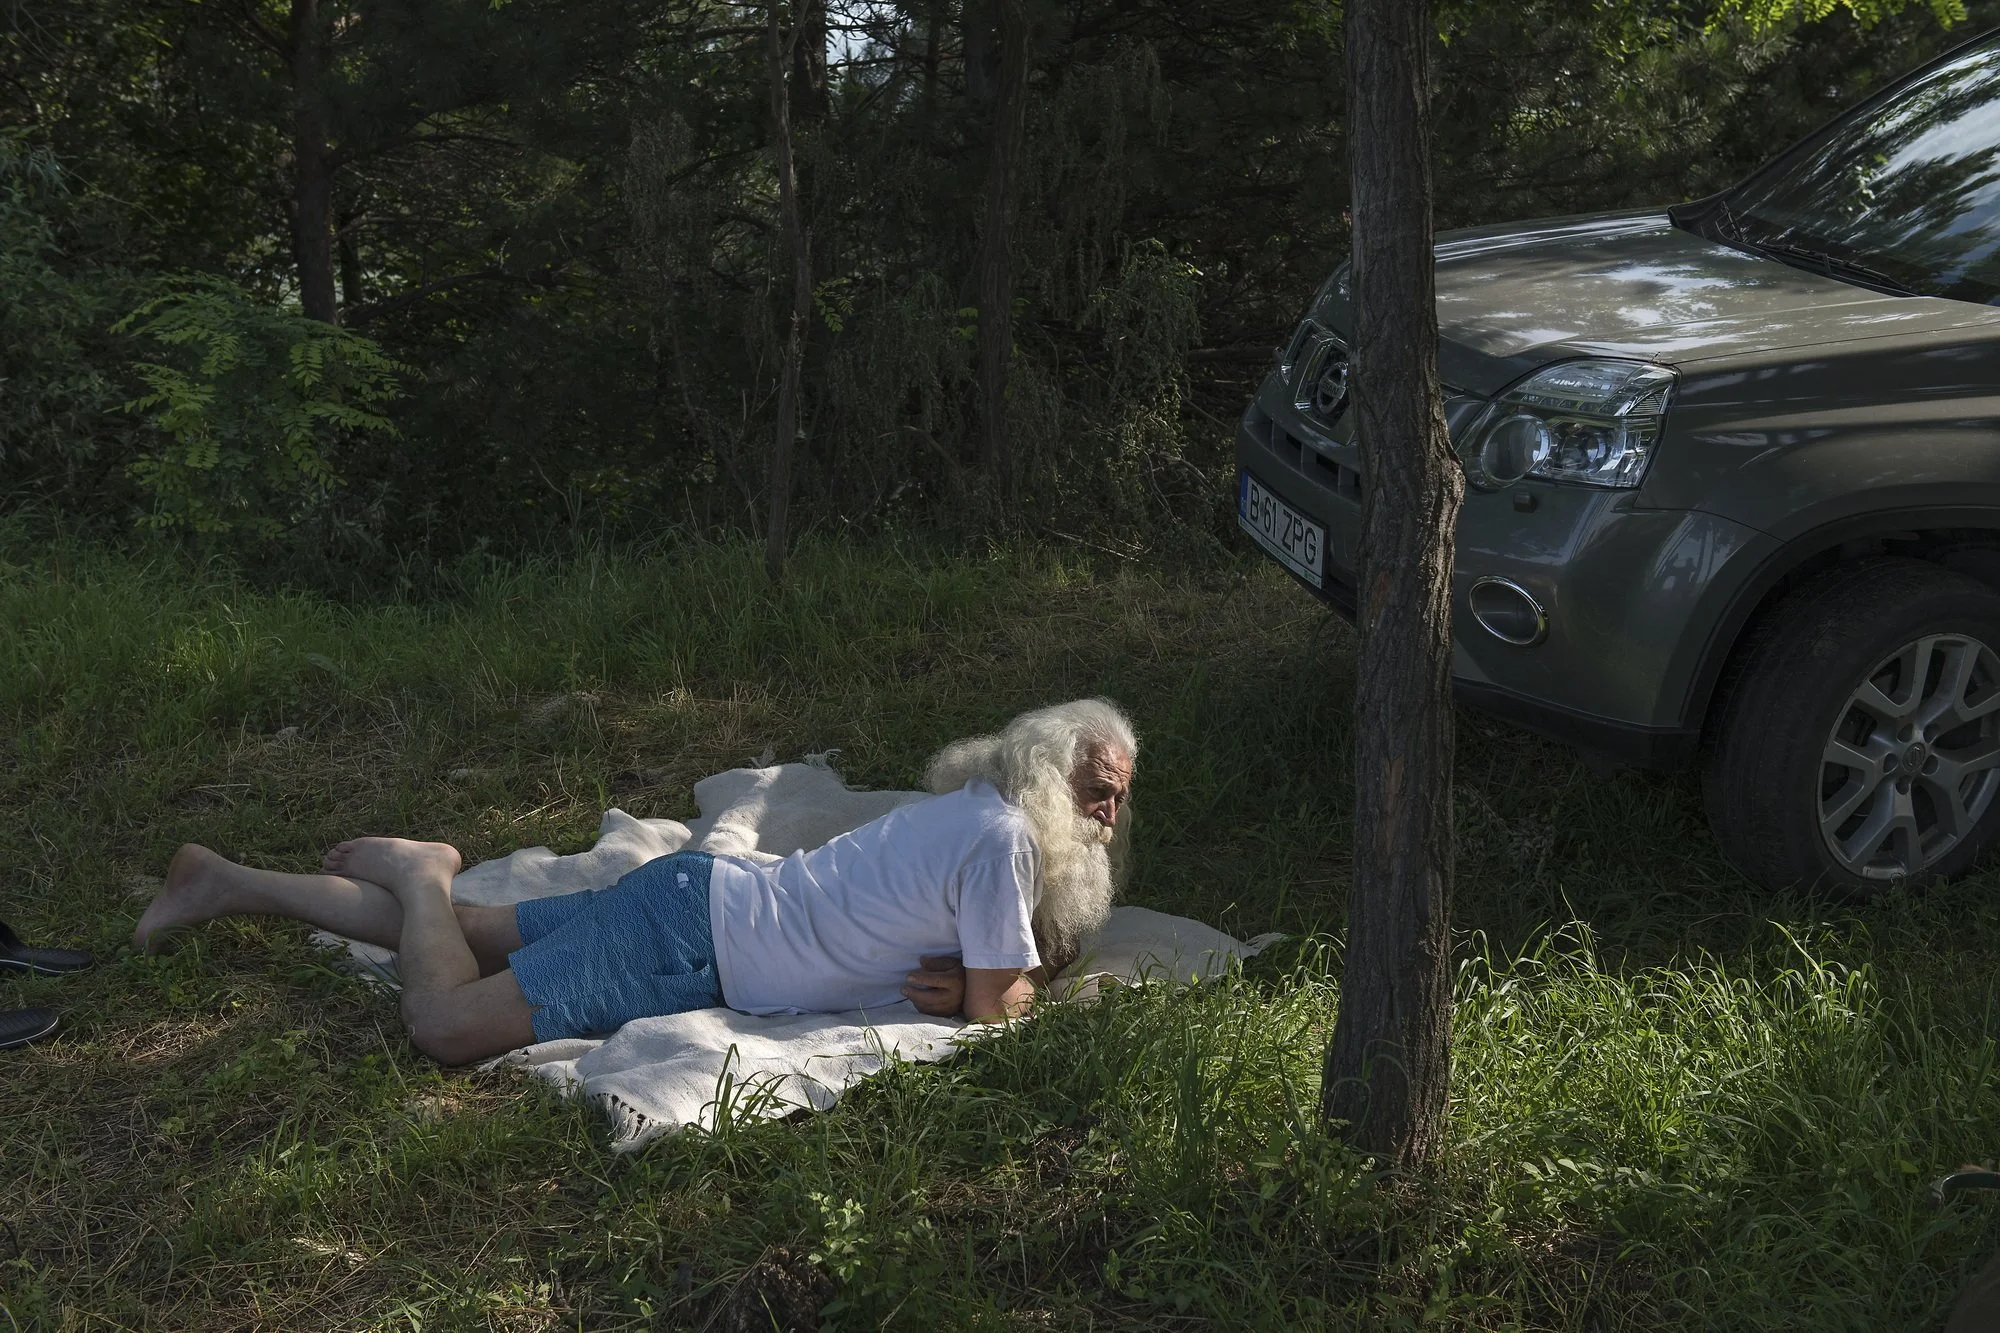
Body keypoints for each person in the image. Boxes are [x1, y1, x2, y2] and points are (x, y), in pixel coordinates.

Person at [134, 698, 1137, 1064]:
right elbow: (992, 1008)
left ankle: (220, 880)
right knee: (442, 1026)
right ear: (1048, 777)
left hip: (695, 896)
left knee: (473, 935)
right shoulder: (1004, 841)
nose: (1106, 817)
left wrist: (967, 978)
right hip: (692, 941)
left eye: (1116, 799)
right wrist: (999, 986)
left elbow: (968, 976)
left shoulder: (964, 813)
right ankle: (420, 870)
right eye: (1095, 793)